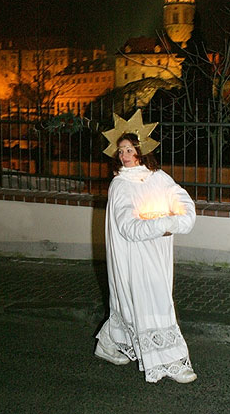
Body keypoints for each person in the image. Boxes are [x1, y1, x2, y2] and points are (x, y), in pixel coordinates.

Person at [95, 112, 197, 384]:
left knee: (147, 301)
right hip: (134, 255)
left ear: (141, 150)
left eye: (129, 149)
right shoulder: (120, 185)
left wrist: (181, 218)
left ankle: (108, 342)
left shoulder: (158, 177)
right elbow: (128, 226)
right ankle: (170, 361)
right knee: (151, 303)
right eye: (120, 151)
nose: (125, 155)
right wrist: (163, 223)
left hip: (157, 251)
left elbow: (180, 199)